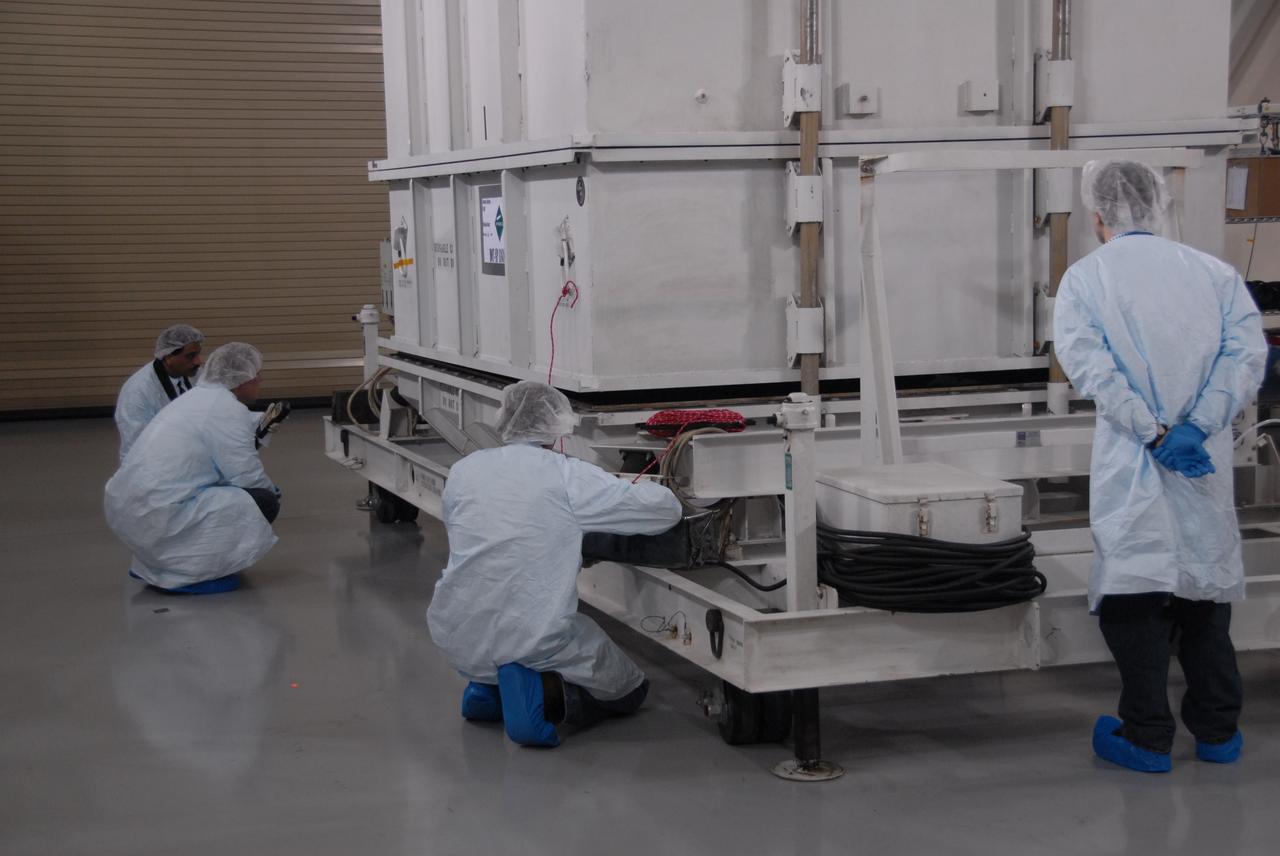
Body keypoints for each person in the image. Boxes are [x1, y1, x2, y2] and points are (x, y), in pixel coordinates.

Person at [1054, 160, 1267, 772]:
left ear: (1098, 216)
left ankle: (1148, 736)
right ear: (1159, 205)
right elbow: (1244, 357)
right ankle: (1219, 733)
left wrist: (1154, 433)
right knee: (1204, 596)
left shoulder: (1086, 279)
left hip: (1136, 460)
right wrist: (1199, 427)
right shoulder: (1214, 273)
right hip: (1203, 461)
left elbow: (1093, 370)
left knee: (1134, 596)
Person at [427, 381, 682, 747]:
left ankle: (485, 690)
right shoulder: (566, 474)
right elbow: (663, 512)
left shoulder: (465, 470)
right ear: (558, 426)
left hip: (456, 631)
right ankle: (544, 698)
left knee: (497, 633)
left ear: (505, 419)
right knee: (630, 691)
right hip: (530, 638)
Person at [105, 342, 281, 595]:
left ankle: (158, 563)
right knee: (263, 502)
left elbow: (216, 432)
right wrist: (270, 494)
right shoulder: (225, 409)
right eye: (257, 375)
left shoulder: (199, 398)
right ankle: (192, 571)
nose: (260, 380)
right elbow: (245, 473)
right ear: (241, 380)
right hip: (158, 514)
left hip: (132, 507)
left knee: (247, 495)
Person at [114, 324, 205, 462]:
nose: (198, 361)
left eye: (198, 354)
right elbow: (138, 446)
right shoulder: (138, 392)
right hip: (148, 465)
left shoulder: (195, 374)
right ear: (168, 357)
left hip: (185, 454)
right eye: (190, 356)